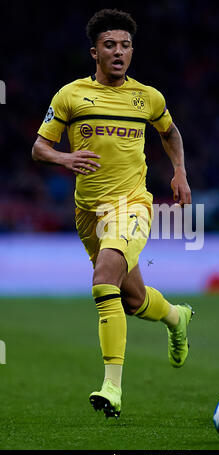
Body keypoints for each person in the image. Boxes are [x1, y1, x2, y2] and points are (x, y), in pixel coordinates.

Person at [32, 8, 194, 419]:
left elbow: (169, 131)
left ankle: (112, 387)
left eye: (125, 45)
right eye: (110, 45)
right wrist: (64, 158)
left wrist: (179, 172)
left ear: (132, 51)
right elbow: (39, 148)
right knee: (133, 298)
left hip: (132, 205)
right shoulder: (70, 96)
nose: (118, 52)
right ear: (94, 53)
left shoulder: (147, 97)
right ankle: (177, 317)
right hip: (88, 211)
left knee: (104, 276)